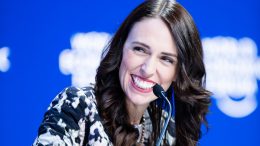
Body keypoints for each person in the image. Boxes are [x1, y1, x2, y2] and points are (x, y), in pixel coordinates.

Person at [33, 0, 211, 146]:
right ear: (121, 48)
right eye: (140, 49)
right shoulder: (78, 105)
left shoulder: (166, 131)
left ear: (178, 73)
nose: (148, 69)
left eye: (166, 59)